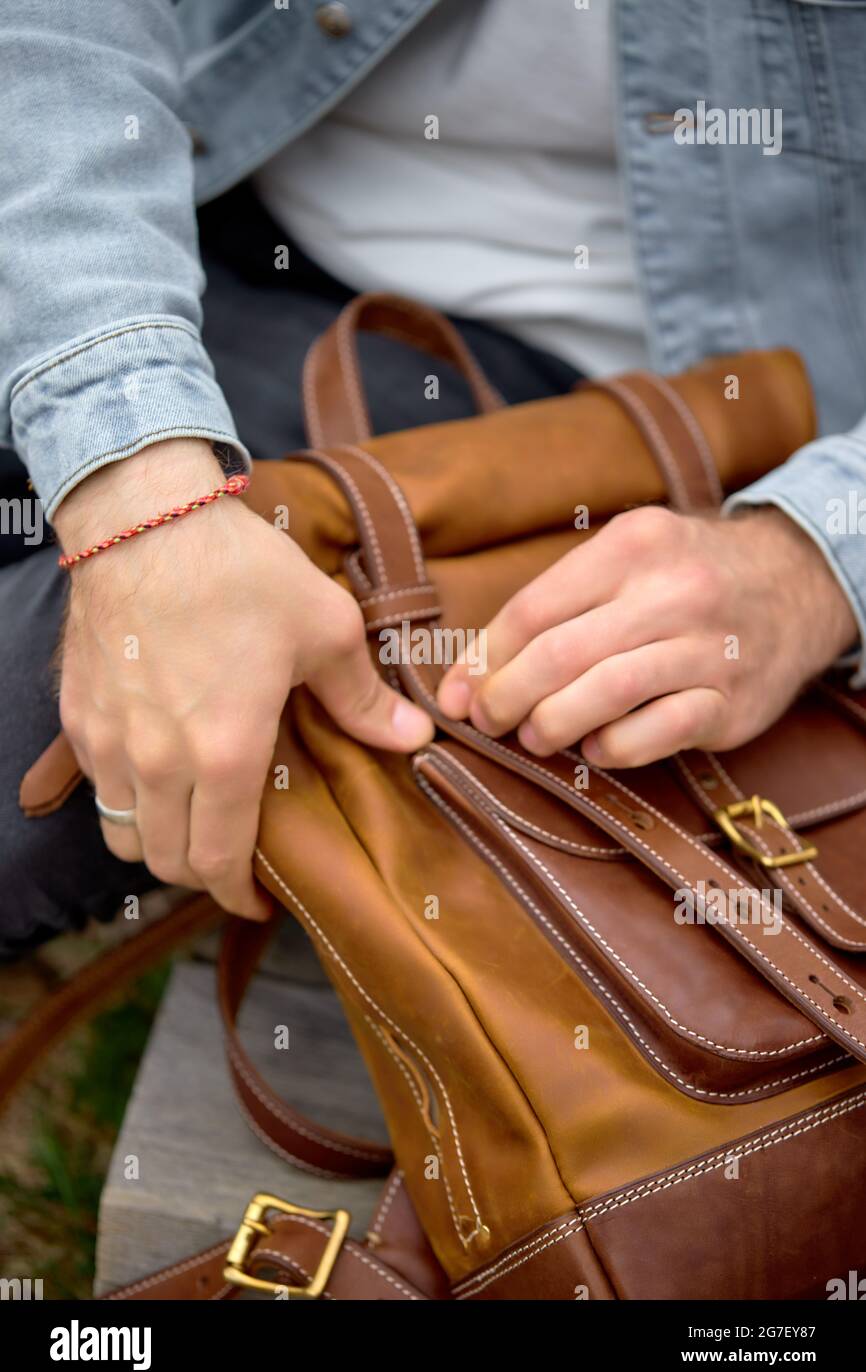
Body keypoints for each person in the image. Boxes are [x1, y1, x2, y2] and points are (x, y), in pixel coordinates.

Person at [1, 0, 863, 954]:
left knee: (30, 748)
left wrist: (812, 558)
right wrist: (137, 481)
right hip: (194, 185)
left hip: (593, 396)